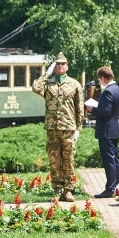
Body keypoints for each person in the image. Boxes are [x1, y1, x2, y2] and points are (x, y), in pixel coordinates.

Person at [32, 52, 84, 202]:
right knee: (54, 160)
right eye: (57, 64)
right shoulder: (48, 84)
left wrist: (78, 128)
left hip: (68, 128)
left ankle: (68, 190)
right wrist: (47, 74)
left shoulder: (74, 84)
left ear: (67, 67)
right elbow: (35, 88)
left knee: (68, 160)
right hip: (52, 128)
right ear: (55, 67)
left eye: (63, 64)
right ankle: (56, 189)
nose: (60, 66)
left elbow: (79, 107)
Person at [86, 66, 119, 198]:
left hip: (106, 130)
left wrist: (92, 109)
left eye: (99, 78)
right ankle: (116, 185)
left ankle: (110, 188)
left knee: (109, 160)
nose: (99, 81)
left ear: (103, 78)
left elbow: (105, 111)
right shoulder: (118, 89)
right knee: (115, 159)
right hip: (114, 129)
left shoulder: (108, 91)